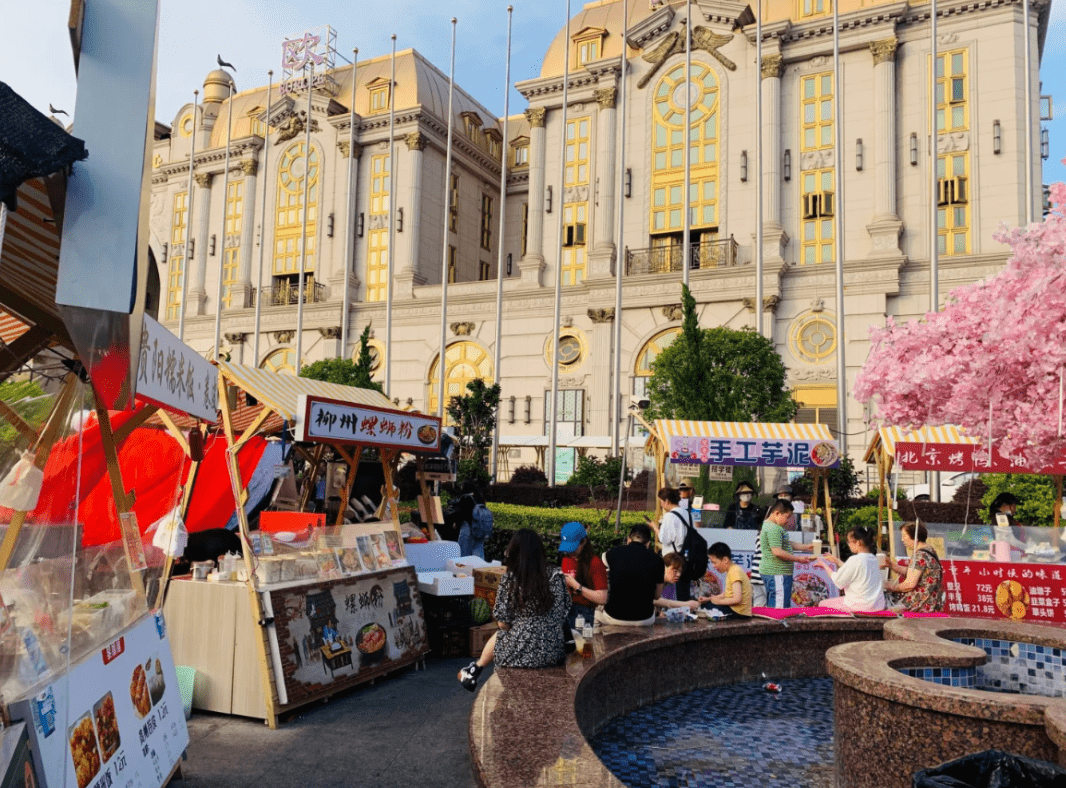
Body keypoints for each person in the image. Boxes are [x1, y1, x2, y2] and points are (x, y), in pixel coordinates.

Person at [458, 529, 571, 691]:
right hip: (553, 654)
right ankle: (474, 669)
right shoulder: (557, 576)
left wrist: (522, 627)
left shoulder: (510, 579)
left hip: (517, 657)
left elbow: (502, 623)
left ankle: (475, 669)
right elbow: (564, 612)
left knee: (503, 632)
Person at [598, 523, 665, 626]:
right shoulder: (658, 561)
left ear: (629, 539)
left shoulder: (611, 553)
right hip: (645, 618)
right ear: (648, 543)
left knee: (595, 613)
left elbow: (602, 567)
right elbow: (656, 596)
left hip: (614, 616)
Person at [813, 526, 886, 612]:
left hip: (861, 605)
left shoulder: (855, 559)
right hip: (877, 605)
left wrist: (824, 565)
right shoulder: (873, 559)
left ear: (858, 543)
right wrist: (837, 561)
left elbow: (838, 580)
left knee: (822, 604)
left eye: (849, 542)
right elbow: (855, 571)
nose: (848, 544)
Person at [758, 499, 814, 608]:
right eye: (787, 517)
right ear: (777, 513)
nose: (788, 521)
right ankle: (778, 625)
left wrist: (806, 547)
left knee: (775, 603)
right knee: (779, 608)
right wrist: (798, 559)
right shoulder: (774, 528)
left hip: (776, 573)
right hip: (777, 572)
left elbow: (786, 544)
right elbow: (777, 552)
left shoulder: (771, 526)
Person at [557, 521, 608, 628]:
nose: (569, 551)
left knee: (582, 644)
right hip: (565, 612)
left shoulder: (595, 562)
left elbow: (603, 598)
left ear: (584, 542)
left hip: (583, 615)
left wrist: (576, 586)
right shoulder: (566, 558)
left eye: (573, 547)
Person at [885, 521, 944, 612]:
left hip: (920, 605)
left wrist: (892, 587)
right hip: (932, 603)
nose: (902, 539)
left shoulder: (920, 556)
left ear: (915, 537)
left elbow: (910, 584)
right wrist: (892, 565)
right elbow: (914, 571)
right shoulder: (929, 550)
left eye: (904, 536)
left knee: (888, 612)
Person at [650, 487, 697, 601]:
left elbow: (664, 539)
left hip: (673, 559)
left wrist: (655, 528)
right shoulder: (687, 513)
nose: (661, 504)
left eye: (661, 501)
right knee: (684, 589)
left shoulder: (669, 516)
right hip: (687, 556)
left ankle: (672, 612)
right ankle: (685, 611)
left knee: (669, 590)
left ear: (666, 501)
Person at [700, 542, 753, 619]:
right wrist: (709, 599)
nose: (713, 566)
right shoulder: (732, 570)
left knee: (705, 607)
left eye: (714, 562)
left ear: (725, 560)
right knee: (706, 604)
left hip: (738, 613)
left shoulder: (735, 571)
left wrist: (719, 602)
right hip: (735, 610)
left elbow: (737, 599)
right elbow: (727, 594)